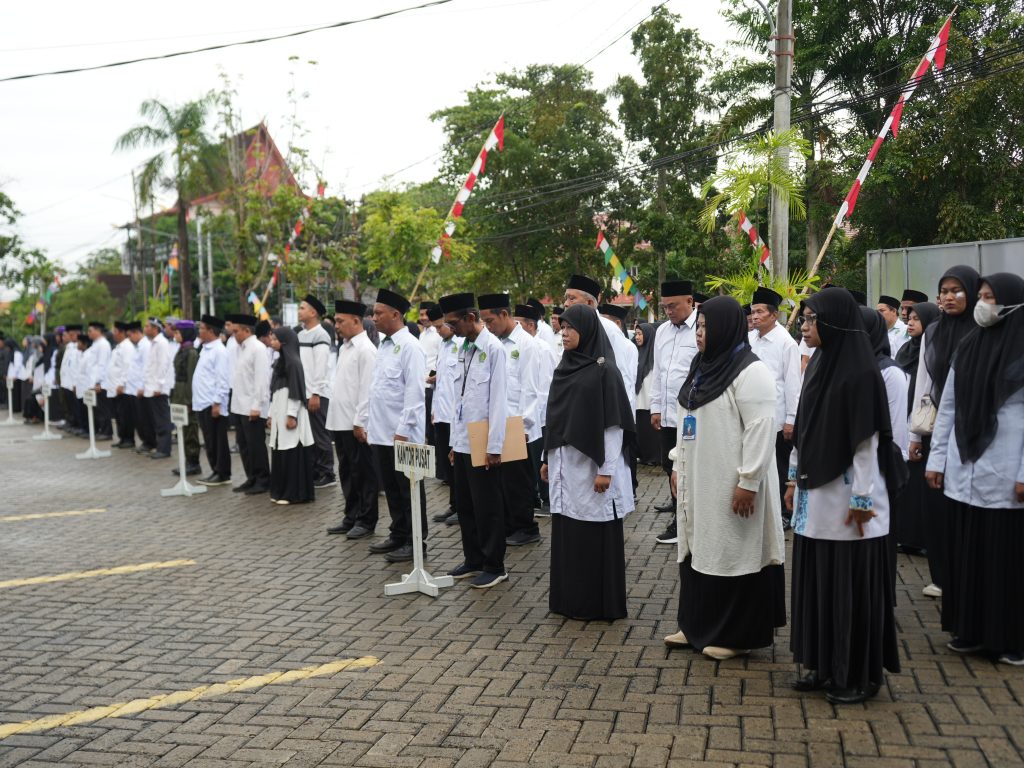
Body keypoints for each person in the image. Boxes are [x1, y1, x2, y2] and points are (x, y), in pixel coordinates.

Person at [786, 288, 900, 705]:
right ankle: (822, 663)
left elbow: (866, 442)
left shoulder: (862, 373)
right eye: (804, 319)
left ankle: (858, 675)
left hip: (850, 497)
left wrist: (863, 499)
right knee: (819, 580)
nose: (805, 327)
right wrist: (793, 478)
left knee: (849, 584)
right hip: (816, 493)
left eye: (812, 319)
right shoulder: (818, 363)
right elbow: (804, 427)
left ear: (833, 321)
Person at [663, 296, 786, 659]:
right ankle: (695, 626)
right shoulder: (702, 366)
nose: (700, 334)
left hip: (732, 481)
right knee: (699, 546)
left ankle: (735, 636)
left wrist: (748, 481)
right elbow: (686, 419)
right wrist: (677, 463)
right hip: (699, 477)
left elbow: (762, 429)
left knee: (733, 549)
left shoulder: (751, 371)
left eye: (706, 327)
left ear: (726, 329)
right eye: (699, 327)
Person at [926, 273, 1024, 666]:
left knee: (1003, 559)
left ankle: (1008, 639)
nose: (983, 304)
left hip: (1006, 469)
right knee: (968, 556)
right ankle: (969, 630)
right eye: (981, 296)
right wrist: (937, 459)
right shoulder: (969, 345)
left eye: (990, 297)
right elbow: (947, 406)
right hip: (963, 465)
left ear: (1012, 303)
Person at [543, 303, 635, 620]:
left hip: (592, 467)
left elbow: (613, 425)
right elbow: (555, 417)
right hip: (564, 464)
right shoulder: (564, 367)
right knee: (568, 532)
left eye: (571, 327)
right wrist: (547, 457)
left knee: (593, 534)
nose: (564, 333)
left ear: (587, 330)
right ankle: (569, 600)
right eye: (562, 327)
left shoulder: (605, 371)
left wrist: (606, 470)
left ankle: (596, 604)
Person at [909, 266, 981, 600]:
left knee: (967, 507)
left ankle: (969, 574)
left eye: (957, 290)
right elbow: (923, 384)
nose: (949, 297)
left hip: (974, 430)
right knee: (937, 506)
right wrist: (914, 434)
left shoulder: (983, 329)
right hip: (936, 430)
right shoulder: (934, 332)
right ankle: (941, 575)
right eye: (944, 291)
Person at [440, 292, 509, 589]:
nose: (450, 328)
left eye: (454, 323)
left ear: (470, 318)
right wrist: (454, 443)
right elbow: (460, 399)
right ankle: (474, 559)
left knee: (487, 506)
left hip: (484, 442)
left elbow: (499, 401)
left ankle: (494, 565)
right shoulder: (464, 348)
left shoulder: (493, 348)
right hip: (464, 440)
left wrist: (495, 446)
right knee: (466, 505)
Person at [366, 289, 427, 563]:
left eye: (378, 313)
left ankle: (416, 542)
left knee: (409, 489)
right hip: (382, 433)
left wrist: (403, 429)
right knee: (391, 488)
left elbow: (415, 393)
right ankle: (399, 533)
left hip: (404, 434)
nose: (374, 318)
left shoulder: (410, 346)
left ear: (395, 314)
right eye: (373, 313)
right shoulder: (384, 345)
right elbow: (378, 389)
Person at [479, 293, 543, 547]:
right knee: (500, 481)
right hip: (496, 422)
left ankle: (526, 527)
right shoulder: (492, 344)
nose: (487, 326)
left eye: (490, 320)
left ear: (504, 315)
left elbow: (531, 388)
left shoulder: (526, 344)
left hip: (517, 424)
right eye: (483, 322)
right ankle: (508, 525)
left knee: (518, 481)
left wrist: (525, 425)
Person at [648, 279, 699, 543]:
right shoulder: (662, 332)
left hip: (691, 414)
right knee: (670, 466)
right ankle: (680, 515)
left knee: (689, 467)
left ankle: (688, 521)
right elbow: (658, 372)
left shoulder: (702, 328)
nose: (668, 311)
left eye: (673, 306)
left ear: (690, 301)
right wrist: (655, 407)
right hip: (668, 415)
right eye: (665, 307)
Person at [325, 300, 379, 538]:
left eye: (340, 321)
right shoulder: (346, 347)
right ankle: (351, 515)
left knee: (363, 473)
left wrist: (360, 421)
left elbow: (367, 389)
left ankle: (366, 520)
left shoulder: (366, 350)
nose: (336, 326)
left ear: (356, 321)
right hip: (340, 421)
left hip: (355, 423)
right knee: (347, 472)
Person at [748, 287, 801, 525]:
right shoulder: (750, 339)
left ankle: (784, 513)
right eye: (753, 312)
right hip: (752, 415)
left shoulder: (786, 343)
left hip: (777, 417)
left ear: (774, 315)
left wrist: (791, 419)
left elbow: (793, 384)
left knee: (779, 466)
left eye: (760, 312)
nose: (755, 316)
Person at [893, 302, 941, 553]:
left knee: (923, 486)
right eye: (909, 318)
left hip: (926, 427)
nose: (910, 323)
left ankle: (923, 539)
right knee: (909, 484)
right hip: (906, 424)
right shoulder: (905, 349)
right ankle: (908, 536)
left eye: (916, 319)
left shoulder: (933, 349)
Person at [514, 303, 558, 512]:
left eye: (519, 323)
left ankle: (547, 500)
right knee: (528, 463)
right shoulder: (518, 346)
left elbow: (546, 385)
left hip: (540, 416)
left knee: (540, 460)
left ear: (530, 325)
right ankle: (533, 499)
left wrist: (539, 414)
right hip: (522, 415)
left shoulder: (543, 348)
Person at [267, 326, 315, 505]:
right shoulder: (279, 363)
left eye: (275, 339)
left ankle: (292, 493)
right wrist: (270, 415)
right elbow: (274, 393)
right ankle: (280, 491)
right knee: (280, 449)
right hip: (279, 412)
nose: (272, 342)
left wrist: (291, 415)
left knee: (292, 449)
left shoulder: (294, 364)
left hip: (289, 414)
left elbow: (295, 393)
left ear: (285, 342)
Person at [228, 313, 271, 495]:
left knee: (256, 446)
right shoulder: (241, 348)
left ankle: (263, 479)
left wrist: (256, 406)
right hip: (240, 406)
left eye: (236, 331)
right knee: (244, 445)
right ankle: (251, 477)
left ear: (247, 330)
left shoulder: (258, 348)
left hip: (252, 407)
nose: (233, 335)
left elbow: (261, 380)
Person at [296, 294, 336, 488]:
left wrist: (316, 393)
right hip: (304, 392)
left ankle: (327, 472)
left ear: (313, 313)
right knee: (308, 434)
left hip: (317, 394)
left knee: (320, 434)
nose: (299, 311)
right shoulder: (301, 334)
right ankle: (314, 471)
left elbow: (321, 367)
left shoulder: (321, 335)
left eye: (302, 308)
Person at [430, 305, 463, 526]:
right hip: (441, 414)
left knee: (458, 464)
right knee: (447, 464)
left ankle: (462, 506)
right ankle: (454, 504)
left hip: (455, 415)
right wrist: (434, 410)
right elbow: (441, 382)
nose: (438, 331)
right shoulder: (443, 345)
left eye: (440, 326)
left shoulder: (461, 344)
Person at [192, 315, 232, 486]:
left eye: (202, 328)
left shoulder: (219, 351)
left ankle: (222, 473)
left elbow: (223, 379)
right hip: (202, 402)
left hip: (212, 403)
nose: (199, 331)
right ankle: (215, 469)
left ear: (211, 331)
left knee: (218, 440)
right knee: (209, 440)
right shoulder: (205, 348)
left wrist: (217, 402)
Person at [167, 320, 201, 475]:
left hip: (187, 398)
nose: (175, 335)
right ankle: (186, 461)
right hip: (179, 396)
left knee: (190, 431)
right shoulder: (181, 350)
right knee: (182, 430)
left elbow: (191, 378)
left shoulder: (191, 353)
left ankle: (193, 463)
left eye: (177, 332)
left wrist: (189, 401)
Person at [142, 318, 173, 459]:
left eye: (147, 326)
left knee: (162, 419)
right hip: (152, 387)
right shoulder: (153, 343)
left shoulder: (161, 343)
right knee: (157, 419)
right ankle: (160, 446)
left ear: (155, 328)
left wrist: (159, 385)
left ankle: (164, 449)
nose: (145, 328)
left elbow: (163, 365)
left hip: (159, 389)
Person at [633, 321, 660, 466]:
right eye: (636, 334)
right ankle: (643, 455)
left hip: (650, 401)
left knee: (651, 431)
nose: (637, 337)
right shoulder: (635, 352)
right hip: (638, 400)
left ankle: (654, 457)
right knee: (641, 429)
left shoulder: (654, 355)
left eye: (640, 334)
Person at [126, 322, 155, 453]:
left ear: (137, 333)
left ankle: (150, 442)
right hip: (134, 388)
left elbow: (146, 367)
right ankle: (145, 441)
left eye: (130, 335)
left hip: (141, 389)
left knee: (145, 418)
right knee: (139, 418)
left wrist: (143, 386)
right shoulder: (139, 345)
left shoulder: (145, 346)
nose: (129, 338)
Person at [107, 322, 136, 448]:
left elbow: (127, 367)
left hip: (123, 388)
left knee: (126, 415)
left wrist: (122, 383)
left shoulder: (127, 347)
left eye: (115, 332)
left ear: (122, 332)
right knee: (119, 415)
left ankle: (128, 439)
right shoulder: (118, 347)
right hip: (115, 387)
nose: (113, 334)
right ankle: (122, 438)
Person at [83, 321, 113, 439]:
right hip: (93, 382)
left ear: (98, 331)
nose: (88, 333)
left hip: (101, 383)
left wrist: (98, 382)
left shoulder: (103, 344)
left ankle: (107, 432)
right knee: (98, 409)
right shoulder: (96, 344)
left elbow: (102, 364)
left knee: (103, 409)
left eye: (90, 331)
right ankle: (101, 430)